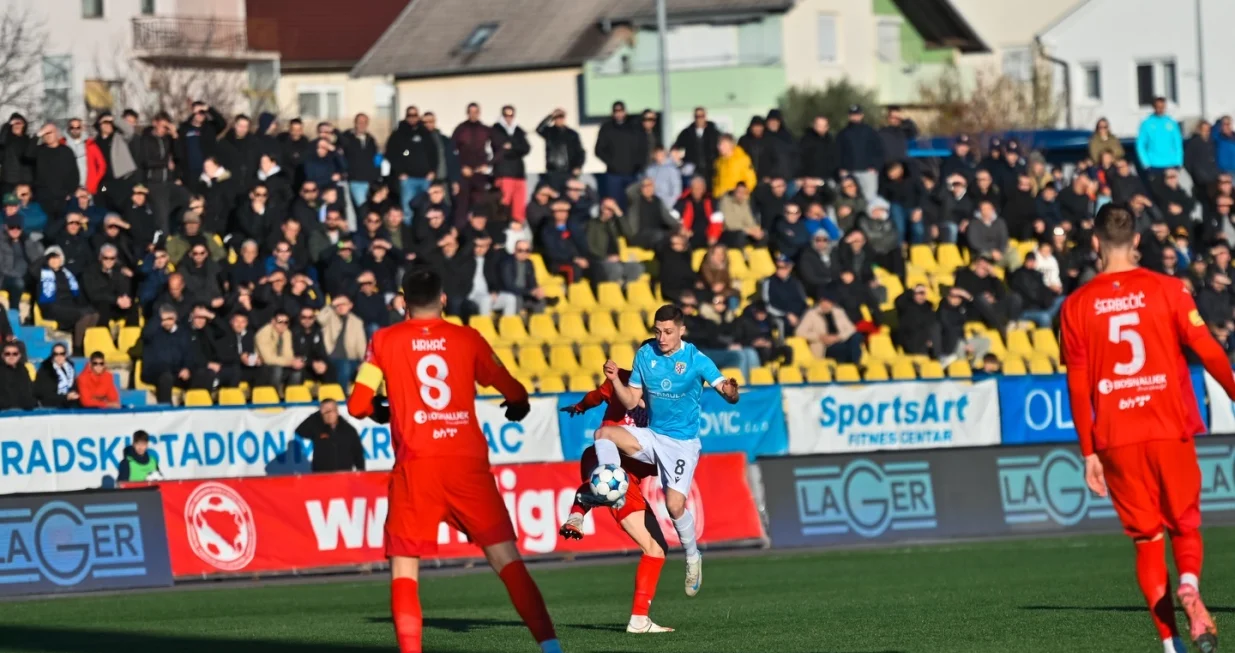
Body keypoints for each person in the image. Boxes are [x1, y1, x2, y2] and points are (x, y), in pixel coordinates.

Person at [345, 268, 562, 653]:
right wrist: (518, 404)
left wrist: (381, 410)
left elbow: (358, 404)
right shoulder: (467, 338)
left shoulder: (384, 340)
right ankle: (550, 647)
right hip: (467, 465)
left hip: (418, 466)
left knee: (405, 566)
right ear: (443, 299)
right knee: (506, 561)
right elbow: (513, 389)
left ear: (402, 302)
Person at [1062, 203, 1235, 653]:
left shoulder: (1076, 305)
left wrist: (1088, 453)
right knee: (1185, 524)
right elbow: (1210, 351)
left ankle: (1171, 644)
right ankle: (1191, 584)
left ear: (1095, 243)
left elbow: (1078, 390)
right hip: (1167, 427)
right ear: (1137, 240)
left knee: (1147, 538)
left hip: (1117, 437)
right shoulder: (1169, 289)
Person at [587, 305, 740, 599]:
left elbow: (726, 391)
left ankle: (693, 556)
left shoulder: (696, 359)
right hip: (654, 436)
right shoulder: (646, 355)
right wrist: (616, 379)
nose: (662, 337)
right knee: (603, 434)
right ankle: (611, 477)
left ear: (681, 331)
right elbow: (632, 401)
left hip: (682, 444)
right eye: (658, 331)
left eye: (668, 332)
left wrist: (731, 391)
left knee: (674, 506)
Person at [558, 371, 673, 633]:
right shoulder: (623, 381)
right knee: (610, 475)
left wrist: (582, 405)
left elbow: (595, 397)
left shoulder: (668, 405)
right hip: (607, 465)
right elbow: (598, 395)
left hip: (623, 479)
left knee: (657, 548)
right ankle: (580, 508)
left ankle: (580, 509)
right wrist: (581, 406)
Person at [295, 399, 365, 473]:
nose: (329, 415)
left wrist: (361, 473)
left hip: (344, 476)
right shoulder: (317, 428)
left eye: (331, 411)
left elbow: (358, 453)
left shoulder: (349, 430)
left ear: (337, 412)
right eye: (325, 412)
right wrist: (317, 414)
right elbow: (300, 431)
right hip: (321, 476)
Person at [491, 105, 531, 224]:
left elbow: (526, 148)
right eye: (506, 115)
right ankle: (502, 228)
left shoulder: (518, 130)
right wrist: (516, 148)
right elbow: (500, 149)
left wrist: (512, 146)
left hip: (519, 173)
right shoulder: (496, 129)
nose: (509, 118)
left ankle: (518, 229)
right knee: (504, 203)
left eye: (511, 115)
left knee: (519, 206)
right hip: (504, 173)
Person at [1136, 97, 1183, 185]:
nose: (1160, 109)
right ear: (1154, 107)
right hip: (1154, 165)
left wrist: (1178, 162)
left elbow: (1178, 144)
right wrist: (1146, 163)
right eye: (1158, 107)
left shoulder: (1171, 123)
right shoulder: (1147, 123)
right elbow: (1140, 145)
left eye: (1162, 107)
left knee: (1171, 192)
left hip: (1171, 165)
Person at [536, 108, 585, 190]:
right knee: (555, 195)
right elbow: (539, 129)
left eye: (561, 117)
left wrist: (578, 166)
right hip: (553, 171)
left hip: (569, 171)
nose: (559, 119)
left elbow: (580, 152)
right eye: (557, 117)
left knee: (567, 194)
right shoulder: (549, 132)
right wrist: (550, 116)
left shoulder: (572, 134)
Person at [0, 341, 34, 412]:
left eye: (15, 354)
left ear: (19, 355)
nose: (11, 356)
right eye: (7, 354)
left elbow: (29, 391)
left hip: (24, 412)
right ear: (2, 355)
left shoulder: (23, 369)